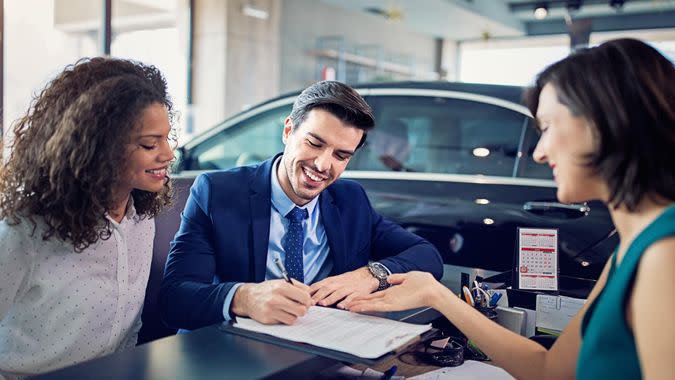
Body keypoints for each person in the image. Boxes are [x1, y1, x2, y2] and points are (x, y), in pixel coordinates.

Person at [347, 38, 675, 379]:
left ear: (607, 123)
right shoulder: (633, 250)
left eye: (547, 128)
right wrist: (438, 295)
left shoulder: (665, 255)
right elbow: (549, 370)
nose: (539, 153)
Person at [159, 80, 443, 329]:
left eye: (341, 155)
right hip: (236, 353)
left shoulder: (351, 200)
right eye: (314, 143)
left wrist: (371, 275)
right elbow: (174, 299)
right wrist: (243, 298)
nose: (323, 165)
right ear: (288, 130)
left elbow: (427, 255)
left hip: (323, 351)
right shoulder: (217, 192)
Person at [0, 57, 175, 378]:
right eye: (150, 143)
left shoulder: (141, 219)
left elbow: (129, 331)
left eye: (167, 137)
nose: (168, 154)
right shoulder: (25, 231)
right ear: (100, 147)